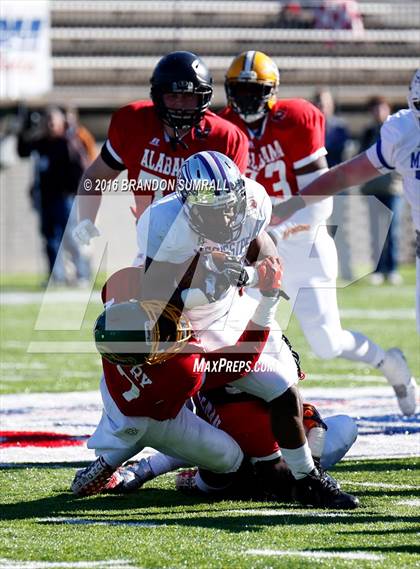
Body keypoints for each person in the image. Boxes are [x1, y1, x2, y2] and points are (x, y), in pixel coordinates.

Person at [132, 151, 358, 508]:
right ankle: (147, 462)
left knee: (285, 389)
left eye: (229, 205)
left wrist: (255, 271)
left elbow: (263, 247)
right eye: (212, 209)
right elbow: (156, 302)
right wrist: (202, 284)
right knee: (186, 403)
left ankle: (308, 481)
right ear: (189, 207)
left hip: (231, 307)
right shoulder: (164, 224)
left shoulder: (252, 202)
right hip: (187, 322)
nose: (224, 216)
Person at [219, 51, 416, 416]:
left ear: (272, 91)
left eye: (254, 90)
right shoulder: (223, 127)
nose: (246, 99)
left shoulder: (296, 118)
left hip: (301, 243)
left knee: (327, 343)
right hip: (253, 250)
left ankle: (390, 365)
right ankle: (250, 418)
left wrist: (274, 228)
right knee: (237, 335)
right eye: (239, 90)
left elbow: (320, 200)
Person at [72, 260, 358, 508]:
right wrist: (268, 299)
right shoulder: (182, 369)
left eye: (161, 324)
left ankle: (113, 465)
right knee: (229, 461)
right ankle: (157, 473)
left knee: (337, 427)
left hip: (120, 389)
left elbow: (154, 276)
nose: (174, 331)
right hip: (152, 414)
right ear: (151, 357)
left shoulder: (122, 292)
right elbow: (242, 361)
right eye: (162, 337)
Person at [270, 69, 420, 412]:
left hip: (305, 246)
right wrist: (289, 207)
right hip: (270, 246)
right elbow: (345, 174)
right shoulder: (404, 132)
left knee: (323, 341)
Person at [72, 51, 249, 247]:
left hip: (207, 244)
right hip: (152, 245)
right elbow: (95, 177)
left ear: (203, 98)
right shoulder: (133, 124)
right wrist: (86, 219)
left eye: (189, 96)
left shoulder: (225, 138)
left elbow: (235, 206)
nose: (180, 104)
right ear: (158, 96)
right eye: (173, 96)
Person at [17, 105, 91, 285]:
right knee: (50, 238)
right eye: (47, 121)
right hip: (45, 199)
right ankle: (56, 276)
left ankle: (82, 274)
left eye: (53, 121)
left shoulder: (68, 142)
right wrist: (22, 128)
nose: (50, 125)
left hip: (65, 198)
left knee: (71, 236)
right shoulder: (41, 143)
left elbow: (81, 167)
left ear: (60, 123)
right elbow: (22, 151)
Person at [359, 96, 403, 285]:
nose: (378, 112)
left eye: (381, 108)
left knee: (392, 230)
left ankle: (391, 268)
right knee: (376, 231)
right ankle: (377, 269)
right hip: (373, 188)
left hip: (392, 189)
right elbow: (360, 158)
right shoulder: (368, 132)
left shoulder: (397, 131)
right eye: (374, 108)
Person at [313, 88, 354, 281]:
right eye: (319, 102)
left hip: (336, 186)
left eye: (325, 102)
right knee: (315, 230)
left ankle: (346, 270)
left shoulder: (340, 127)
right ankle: (320, 271)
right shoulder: (310, 126)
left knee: (340, 229)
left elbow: (337, 151)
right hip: (316, 187)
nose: (322, 106)